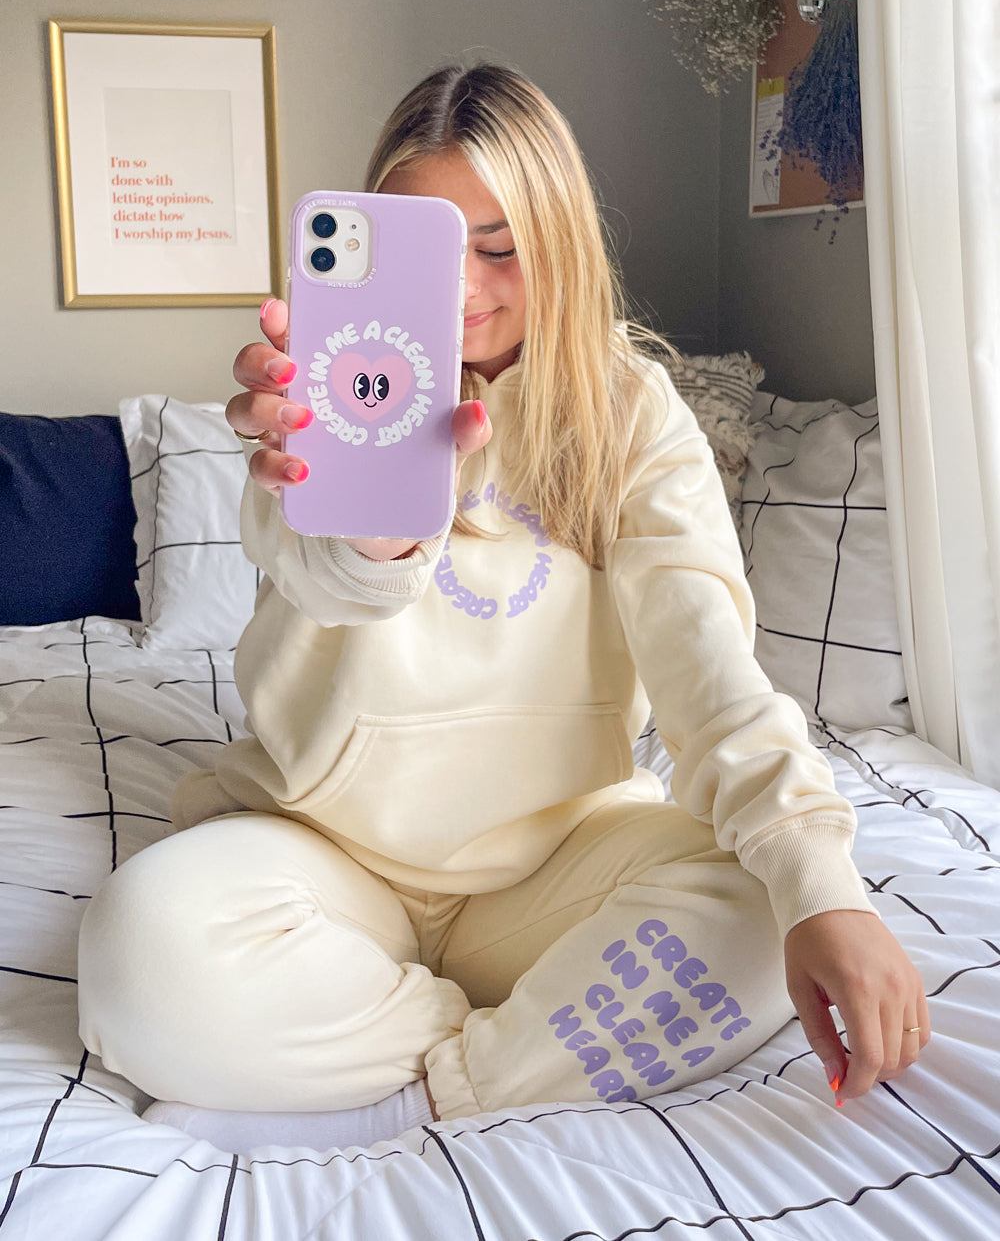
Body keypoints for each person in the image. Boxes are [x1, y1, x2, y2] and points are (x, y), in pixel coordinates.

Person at [77, 64, 928, 1152]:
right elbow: (325, 578)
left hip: (554, 860)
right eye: (431, 248)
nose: (463, 289)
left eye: (498, 245)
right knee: (138, 953)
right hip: (324, 850)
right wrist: (377, 526)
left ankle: (425, 1086)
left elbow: (707, 670)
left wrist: (822, 886)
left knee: (778, 904)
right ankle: (521, 1045)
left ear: (560, 239)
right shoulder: (316, 398)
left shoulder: (632, 416)